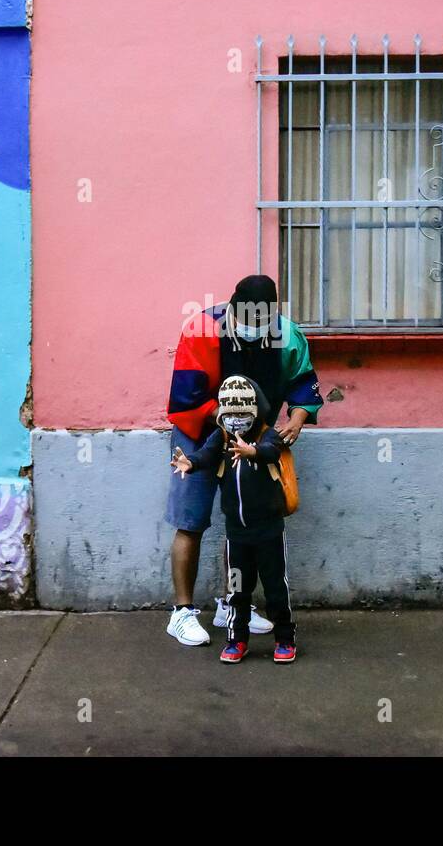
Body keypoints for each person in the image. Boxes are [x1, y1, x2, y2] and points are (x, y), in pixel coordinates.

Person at [163, 274, 323, 647]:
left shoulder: (287, 334)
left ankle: (231, 606)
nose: (254, 331)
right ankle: (181, 612)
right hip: (200, 433)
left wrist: (298, 417)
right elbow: (186, 396)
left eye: (261, 325)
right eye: (247, 323)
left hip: (253, 441)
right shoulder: (202, 329)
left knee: (242, 520)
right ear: (232, 310)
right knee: (191, 519)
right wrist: (228, 419)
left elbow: (304, 382)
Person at [170, 376, 296, 662]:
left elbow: (272, 452)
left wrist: (253, 451)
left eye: (242, 414)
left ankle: (285, 638)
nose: (236, 420)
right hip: (236, 535)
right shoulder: (222, 437)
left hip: (269, 533)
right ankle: (237, 639)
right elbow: (206, 454)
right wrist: (190, 463)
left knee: (276, 587)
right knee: (237, 591)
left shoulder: (267, 435)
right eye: (230, 414)